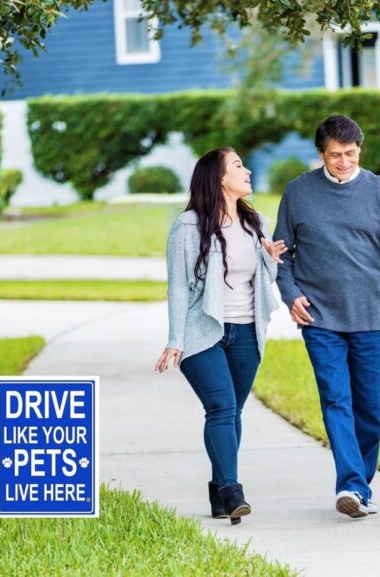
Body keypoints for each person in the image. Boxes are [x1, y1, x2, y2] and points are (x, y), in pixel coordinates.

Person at [274, 115, 380, 519]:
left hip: (370, 318)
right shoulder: (298, 193)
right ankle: (352, 487)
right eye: (336, 154)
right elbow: (281, 254)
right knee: (336, 400)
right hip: (319, 318)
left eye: (351, 154)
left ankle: (359, 485)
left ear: (360, 150)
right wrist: (290, 294)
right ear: (321, 153)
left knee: (372, 412)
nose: (344, 161)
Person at [155, 147, 286, 525]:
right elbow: (178, 288)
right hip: (203, 331)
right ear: (219, 178)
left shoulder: (255, 221)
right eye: (238, 166)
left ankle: (217, 491)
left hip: (246, 331)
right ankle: (232, 491)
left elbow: (265, 282)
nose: (247, 171)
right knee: (221, 408)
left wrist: (270, 260)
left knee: (233, 412)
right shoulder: (189, 227)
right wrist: (175, 340)